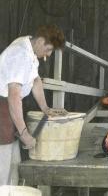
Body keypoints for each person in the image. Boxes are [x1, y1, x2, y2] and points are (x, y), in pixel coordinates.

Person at [0, 25, 65, 185]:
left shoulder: (29, 46)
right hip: (3, 107)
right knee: (3, 164)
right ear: (41, 41)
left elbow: (35, 81)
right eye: (49, 49)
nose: (48, 55)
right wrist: (24, 134)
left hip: (9, 108)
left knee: (13, 164)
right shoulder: (19, 53)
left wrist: (45, 108)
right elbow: (14, 97)